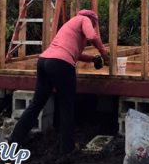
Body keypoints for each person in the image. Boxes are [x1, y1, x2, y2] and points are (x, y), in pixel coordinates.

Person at [10, 9, 109, 153]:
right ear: (92, 20)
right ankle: (67, 148)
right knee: (66, 105)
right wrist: (104, 55)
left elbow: (73, 52)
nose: (92, 26)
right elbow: (93, 36)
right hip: (61, 64)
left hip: (44, 61)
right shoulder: (84, 19)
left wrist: (92, 58)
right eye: (94, 24)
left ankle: (14, 141)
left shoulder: (70, 24)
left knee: (36, 104)